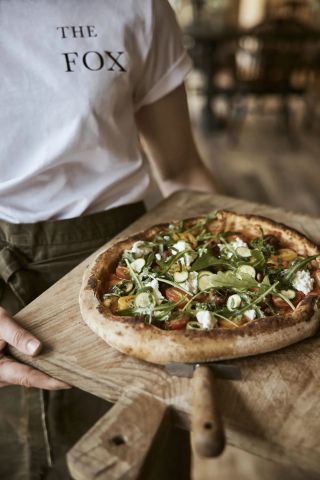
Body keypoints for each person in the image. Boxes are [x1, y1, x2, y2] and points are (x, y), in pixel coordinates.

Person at [0, 0, 217, 478]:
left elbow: (183, 170)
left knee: (143, 463)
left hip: (132, 272)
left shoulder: (138, 6)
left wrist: (227, 274)